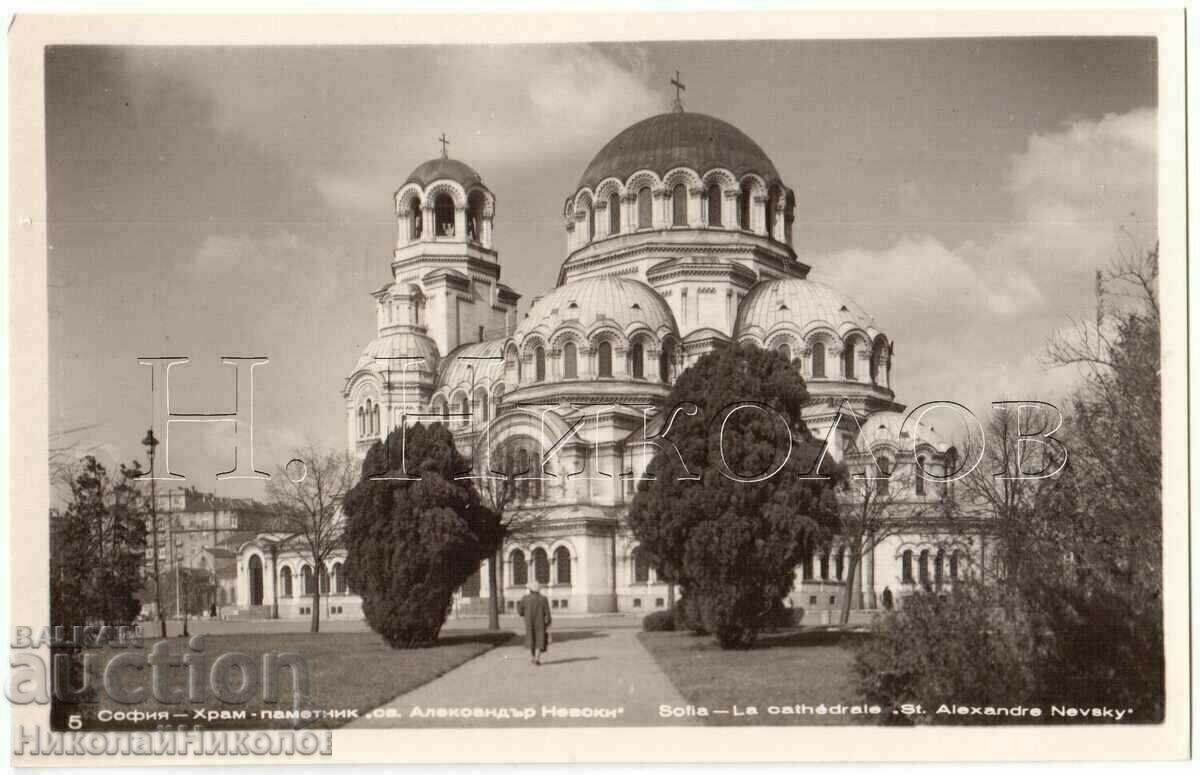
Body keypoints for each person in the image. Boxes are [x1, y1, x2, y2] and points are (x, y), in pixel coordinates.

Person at [517, 581, 552, 665]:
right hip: (540, 622)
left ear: (530, 590)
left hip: (529, 622)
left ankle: (532, 657)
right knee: (540, 639)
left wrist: (523, 613)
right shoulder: (543, 598)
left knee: (531, 638)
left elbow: (520, 611)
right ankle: (537, 658)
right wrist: (548, 622)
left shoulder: (525, 598)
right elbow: (547, 612)